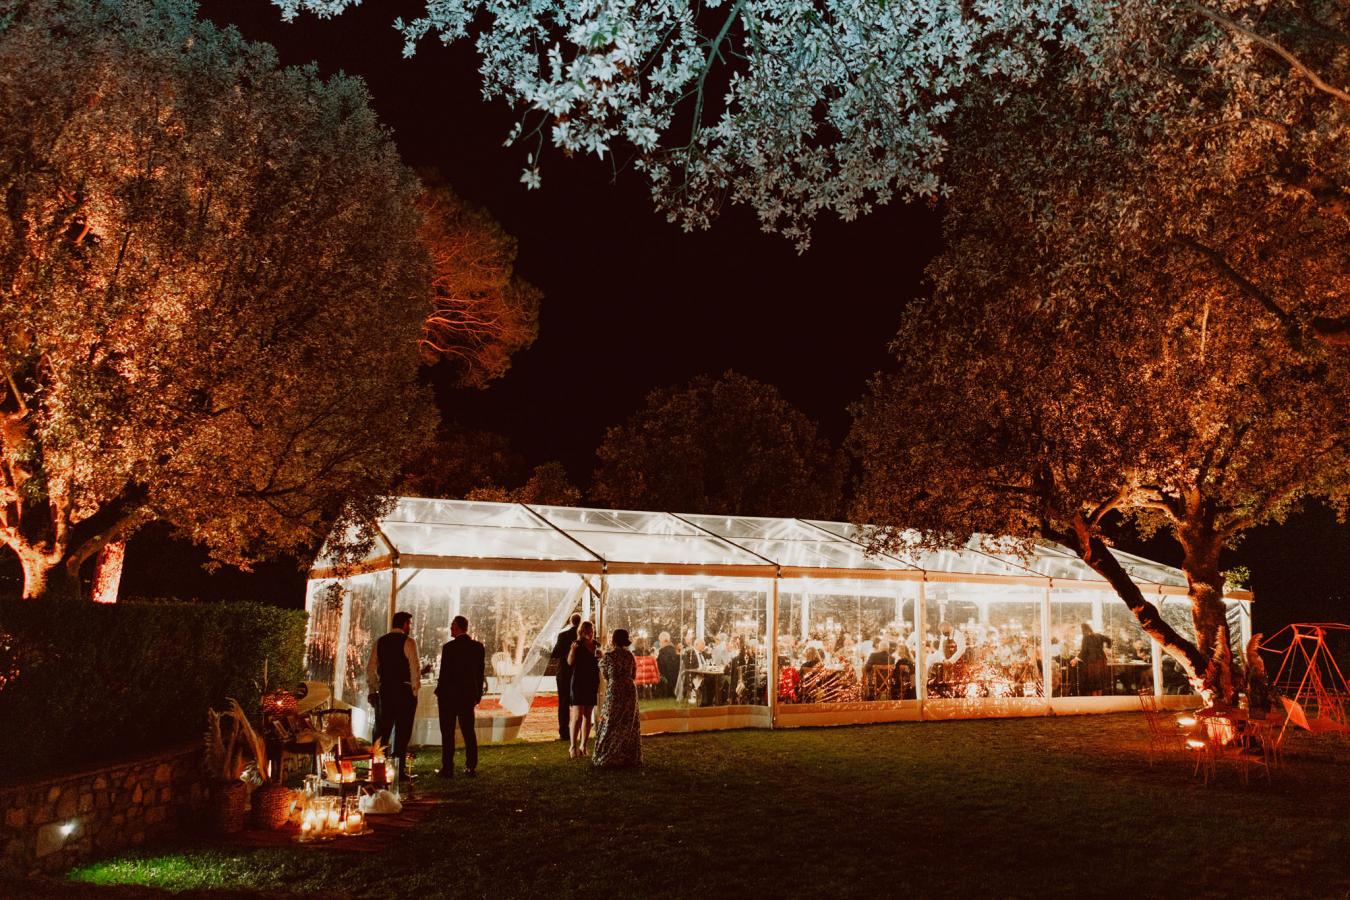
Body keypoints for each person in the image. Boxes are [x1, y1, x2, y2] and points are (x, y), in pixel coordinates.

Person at [366, 611, 420, 780]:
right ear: (404, 624)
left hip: (386, 691)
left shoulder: (380, 642)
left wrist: (373, 688)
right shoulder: (409, 642)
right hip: (404, 692)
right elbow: (415, 668)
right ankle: (399, 770)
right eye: (409, 624)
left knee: (384, 731)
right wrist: (414, 691)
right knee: (403, 732)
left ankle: (379, 769)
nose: (409, 627)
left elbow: (371, 668)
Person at [435, 615, 486, 777]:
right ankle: (471, 766)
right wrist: (477, 694)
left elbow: (444, 674)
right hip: (467, 695)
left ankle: (448, 767)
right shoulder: (478, 647)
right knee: (468, 732)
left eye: (452, 626)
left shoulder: (449, 648)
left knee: (448, 733)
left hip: (449, 696)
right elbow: (480, 673)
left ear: (457, 627)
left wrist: (439, 692)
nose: (450, 628)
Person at [593, 629, 642, 768]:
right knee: (628, 722)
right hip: (629, 689)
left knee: (611, 720)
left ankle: (609, 755)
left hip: (615, 689)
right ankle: (628, 756)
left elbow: (605, 676)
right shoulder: (630, 656)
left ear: (613, 639)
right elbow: (634, 674)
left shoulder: (609, 656)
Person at [567, 620, 601, 758]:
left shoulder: (596, 645)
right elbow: (569, 662)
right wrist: (573, 651)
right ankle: (573, 746)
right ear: (582, 632)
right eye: (588, 631)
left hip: (592, 682)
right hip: (579, 682)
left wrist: (601, 656)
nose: (590, 634)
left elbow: (600, 662)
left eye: (592, 631)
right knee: (577, 716)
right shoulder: (577, 644)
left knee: (588, 715)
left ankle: (584, 745)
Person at [550, 613, 581, 742]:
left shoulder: (563, 635)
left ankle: (564, 732)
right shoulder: (583, 637)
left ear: (570, 621)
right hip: (579, 673)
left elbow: (555, 653)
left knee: (563, 703)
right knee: (579, 703)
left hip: (564, 673)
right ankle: (578, 730)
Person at [1078, 622, 1113, 697]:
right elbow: (1110, 640)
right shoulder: (1098, 635)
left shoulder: (1085, 638)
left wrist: (1076, 659)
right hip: (1101, 660)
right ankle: (1099, 700)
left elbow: (1083, 651)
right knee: (1099, 681)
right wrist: (1108, 648)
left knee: (1093, 682)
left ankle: (1095, 702)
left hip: (1092, 662)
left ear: (1083, 630)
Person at [656, 631, 679, 698]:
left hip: (666, 678)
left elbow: (660, 666)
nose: (660, 643)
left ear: (663, 641)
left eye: (660, 641)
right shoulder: (674, 650)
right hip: (675, 677)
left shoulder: (662, 651)